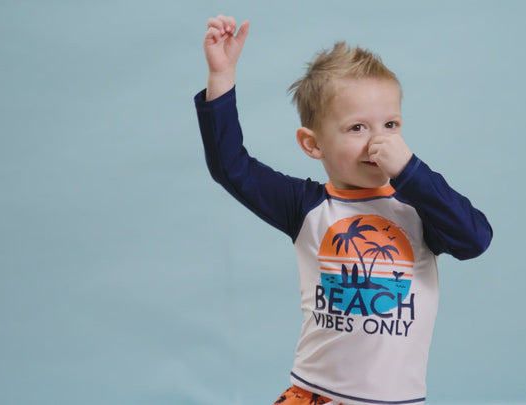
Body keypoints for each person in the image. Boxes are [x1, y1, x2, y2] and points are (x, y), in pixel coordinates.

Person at [195, 15, 493, 405]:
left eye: (390, 124)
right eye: (357, 128)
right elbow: (231, 167)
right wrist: (221, 76)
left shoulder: (418, 208)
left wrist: (412, 171)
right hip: (314, 393)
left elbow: (475, 239)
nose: (378, 142)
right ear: (312, 144)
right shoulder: (305, 206)